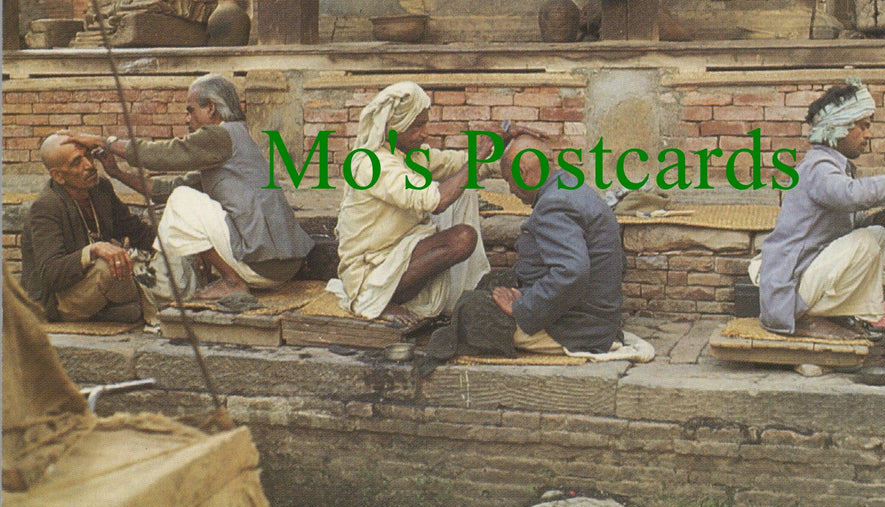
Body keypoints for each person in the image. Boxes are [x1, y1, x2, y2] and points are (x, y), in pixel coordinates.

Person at [61, 74, 314, 304]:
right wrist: (116, 173)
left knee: (182, 200)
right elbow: (163, 188)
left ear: (211, 109)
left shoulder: (220, 136)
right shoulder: (234, 142)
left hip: (265, 266)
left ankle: (230, 282)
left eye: (191, 111)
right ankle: (205, 278)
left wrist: (106, 141)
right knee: (180, 195)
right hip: (282, 268)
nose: (187, 119)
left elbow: (161, 155)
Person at [751, 79, 885, 339]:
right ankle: (803, 320)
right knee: (867, 241)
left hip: (808, 275)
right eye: (862, 127)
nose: (866, 135)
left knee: (878, 236)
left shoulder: (835, 166)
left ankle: (850, 315)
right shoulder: (818, 165)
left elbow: (850, 219)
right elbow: (847, 195)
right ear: (838, 127)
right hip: (790, 287)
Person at [334, 81, 523, 325]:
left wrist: (510, 150)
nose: (425, 133)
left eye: (425, 124)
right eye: (417, 126)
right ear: (394, 127)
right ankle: (377, 301)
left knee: (464, 188)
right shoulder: (372, 164)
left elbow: (466, 165)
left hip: (400, 252)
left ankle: (409, 294)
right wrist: (476, 158)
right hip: (369, 269)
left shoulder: (413, 155)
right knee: (463, 237)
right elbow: (438, 201)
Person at [490, 136, 624, 354]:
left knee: (472, 313)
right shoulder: (573, 186)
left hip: (580, 330)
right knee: (492, 284)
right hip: (598, 321)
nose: (511, 190)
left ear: (523, 173)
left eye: (509, 181)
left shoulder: (553, 204)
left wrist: (523, 307)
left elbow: (572, 271)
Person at [21, 133, 155, 322]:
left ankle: (120, 308)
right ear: (58, 176)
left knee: (159, 264)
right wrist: (92, 251)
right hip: (59, 299)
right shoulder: (46, 206)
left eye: (89, 155)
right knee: (107, 268)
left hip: (98, 288)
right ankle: (138, 304)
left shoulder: (100, 189)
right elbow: (50, 273)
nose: (90, 165)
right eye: (77, 162)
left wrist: (176, 243)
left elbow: (135, 231)